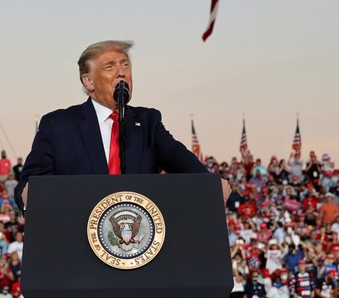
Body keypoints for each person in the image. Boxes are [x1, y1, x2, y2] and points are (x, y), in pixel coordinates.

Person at [14, 40, 231, 208]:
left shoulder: (148, 123)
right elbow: (28, 187)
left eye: (125, 65)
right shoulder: (58, 126)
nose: (122, 72)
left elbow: (187, 166)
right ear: (88, 81)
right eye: (110, 66)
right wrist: (30, 195)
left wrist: (212, 186)